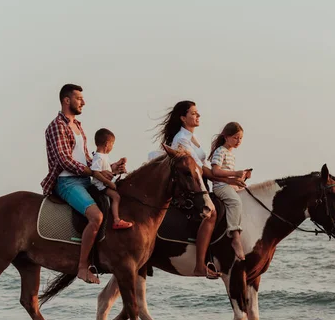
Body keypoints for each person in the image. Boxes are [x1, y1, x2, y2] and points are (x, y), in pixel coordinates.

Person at [41, 84, 126, 284]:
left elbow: (87, 158)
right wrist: (94, 172)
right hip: (66, 182)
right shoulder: (56, 126)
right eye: (79, 98)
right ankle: (82, 267)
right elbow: (64, 160)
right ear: (66, 100)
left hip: (84, 178)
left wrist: (110, 168)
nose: (83, 102)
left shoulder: (78, 126)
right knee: (96, 216)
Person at [155, 101, 246, 278]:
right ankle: (199, 265)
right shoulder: (181, 139)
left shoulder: (191, 137)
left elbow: (206, 169)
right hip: (189, 185)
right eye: (194, 113)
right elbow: (200, 170)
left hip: (199, 181)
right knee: (210, 214)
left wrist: (232, 179)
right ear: (183, 118)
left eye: (198, 113)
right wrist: (231, 176)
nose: (198, 116)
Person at [209, 122, 252, 261]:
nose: (238, 141)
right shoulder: (220, 151)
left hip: (228, 185)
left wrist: (242, 176)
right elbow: (216, 171)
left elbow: (228, 173)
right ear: (226, 137)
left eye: (240, 138)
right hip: (220, 186)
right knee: (235, 202)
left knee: (247, 195)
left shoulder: (231, 154)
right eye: (235, 137)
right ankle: (235, 235)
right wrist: (235, 173)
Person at [90, 128, 133, 230]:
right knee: (116, 197)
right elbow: (95, 172)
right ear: (107, 144)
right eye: (112, 144)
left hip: (104, 184)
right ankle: (116, 220)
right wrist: (109, 183)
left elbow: (105, 171)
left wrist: (117, 166)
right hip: (100, 186)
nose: (112, 147)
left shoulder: (103, 156)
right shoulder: (99, 157)